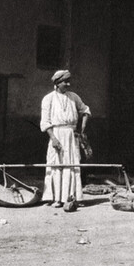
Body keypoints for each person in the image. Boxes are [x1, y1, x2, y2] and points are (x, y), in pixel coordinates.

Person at [40, 69, 91, 210]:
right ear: (57, 83)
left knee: (72, 164)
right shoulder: (48, 99)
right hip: (56, 133)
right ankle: (55, 198)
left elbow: (85, 110)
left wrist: (82, 129)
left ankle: (71, 197)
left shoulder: (73, 97)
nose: (68, 84)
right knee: (56, 165)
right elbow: (45, 122)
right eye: (65, 82)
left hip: (71, 134)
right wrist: (53, 138)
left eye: (69, 81)